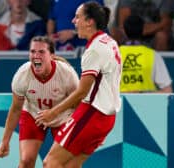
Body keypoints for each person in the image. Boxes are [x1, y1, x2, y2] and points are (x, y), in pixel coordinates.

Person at [36, 2, 122, 167]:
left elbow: (83, 91)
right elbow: (98, 81)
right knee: (71, 166)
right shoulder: (109, 42)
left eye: (77, 17)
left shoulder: (94, 50)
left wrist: (53, 113)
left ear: (89, 21)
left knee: (50, 163)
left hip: (91, 114)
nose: (74, 21)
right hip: (106, 118)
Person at [0, 36, 79, 168]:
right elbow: (16, 109)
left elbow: (78, 103)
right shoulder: (22, 75)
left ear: (52, 55)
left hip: (63, 117)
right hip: (33, 115)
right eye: (33, 51)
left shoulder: (67, 73)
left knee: (65, 164)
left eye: (41, 52)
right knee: (26, 161)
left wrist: (85, 130)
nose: (36, 55)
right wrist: (5, 141)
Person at [120, 15, 172, 93]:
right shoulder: (153, 55)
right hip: (146, 104)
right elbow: (167, 90)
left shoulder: (113, 55)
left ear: (123, 31)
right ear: (144, 29)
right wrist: (143, 96)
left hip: (119, 104)